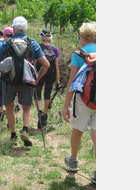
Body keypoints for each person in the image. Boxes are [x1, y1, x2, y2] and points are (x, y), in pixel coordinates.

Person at [0, 16, 50, 146]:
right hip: (27, 81)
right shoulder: (32, 43)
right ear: (26, 29)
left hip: (8, 81)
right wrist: (36, 79)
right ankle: (25, 129)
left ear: (13, 28)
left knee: (10, 107)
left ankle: (13, 135)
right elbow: (46, 65)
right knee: (27, 107)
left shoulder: (6, 43)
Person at [62, 22, 96, 183]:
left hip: (83, 99)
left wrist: (65, 106)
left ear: (83, 37)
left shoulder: (79, 54)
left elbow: (72, 82)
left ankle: (74, 161)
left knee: (77, 131)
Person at [34, 29, 60, 129]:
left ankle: (40, 113)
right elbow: (57, 68)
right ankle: (46, 114)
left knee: (37, 94)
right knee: (47, 95)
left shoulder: (38, 48)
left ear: (41, 37)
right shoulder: (55, 49)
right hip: (51, 75)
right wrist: (58, 82)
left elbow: (35, 63)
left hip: (39, 74)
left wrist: (34, 76)